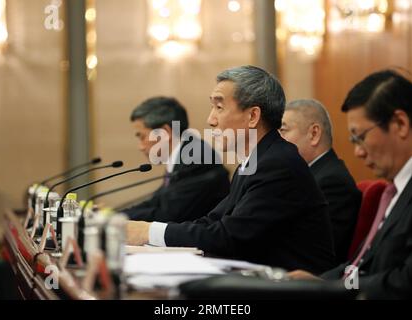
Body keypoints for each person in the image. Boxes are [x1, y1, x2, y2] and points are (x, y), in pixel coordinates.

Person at [125, 66, 335, 274]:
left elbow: (228, 237)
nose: (210, 120)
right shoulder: (255, 161)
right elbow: (212, 222)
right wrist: (151, 231)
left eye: (219, 107)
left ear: (253, 116)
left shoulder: (278, 164)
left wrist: (148, 231)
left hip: (296, 291)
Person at [288, 69, 412, 299]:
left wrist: (330, 289)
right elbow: (362, 264)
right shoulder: (395, 191)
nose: (358, 152)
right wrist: (320, 281)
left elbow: (404, 281)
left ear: (400, 124)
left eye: (360, 137)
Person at [123, 96, 230, 223]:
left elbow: (168, 215)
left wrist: (118, 218)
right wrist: (113, 215)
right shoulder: (183, 153)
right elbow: (156, 202)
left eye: (142, 136)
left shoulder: (196, 158)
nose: (140, 147)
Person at [280, 99, 361, 264]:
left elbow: (312, 251)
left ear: (314, 134)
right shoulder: (307, 175)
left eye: (283, 130)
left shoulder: (332, 182)